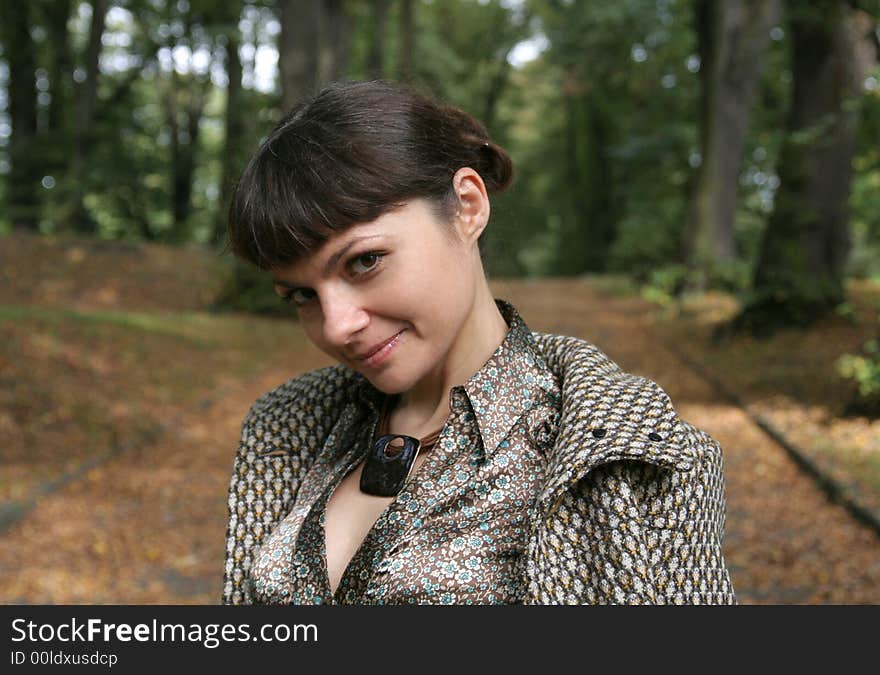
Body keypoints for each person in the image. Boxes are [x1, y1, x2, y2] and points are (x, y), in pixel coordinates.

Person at [221, 80, 735, 605]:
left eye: (364, 261)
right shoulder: (287, 429)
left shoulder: (639, 460)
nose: (336, 327)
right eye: (303, 294)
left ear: (467, 206)